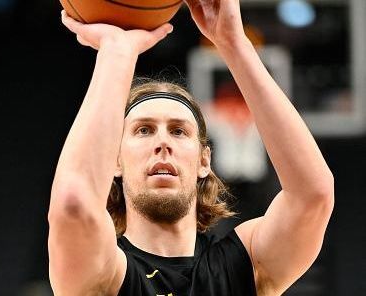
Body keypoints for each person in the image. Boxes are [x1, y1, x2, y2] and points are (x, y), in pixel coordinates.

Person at [48, 0, 334, 295]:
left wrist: (234, 43)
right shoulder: (101, 274)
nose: (162, 142)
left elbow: (313, 195)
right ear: (115, 161)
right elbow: (74, 204)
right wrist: (117, 52)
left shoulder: (244, 266)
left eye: (178, 131)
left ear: (204, 161)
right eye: (144, 130)